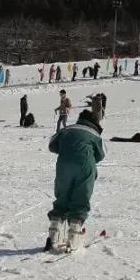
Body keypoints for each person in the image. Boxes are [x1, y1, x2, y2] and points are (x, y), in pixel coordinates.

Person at [46, 108, 106, 253]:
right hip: (85, 167)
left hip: (64, 166)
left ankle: (54, 234)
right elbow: (101, 154)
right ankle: (74, 236)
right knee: (81, 198)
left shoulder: (67, 129)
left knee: (62, 198)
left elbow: (51, 145)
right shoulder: (95, 134)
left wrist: (68, 149)